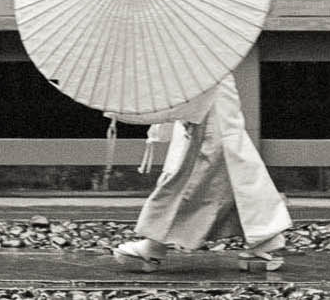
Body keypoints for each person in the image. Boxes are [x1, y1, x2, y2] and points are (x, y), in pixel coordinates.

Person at [113, 73, 291, 273]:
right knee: (230, 177)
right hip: (207, 101)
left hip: (208, 104)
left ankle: (154, 245)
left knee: (196, 177)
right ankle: (265, 241)